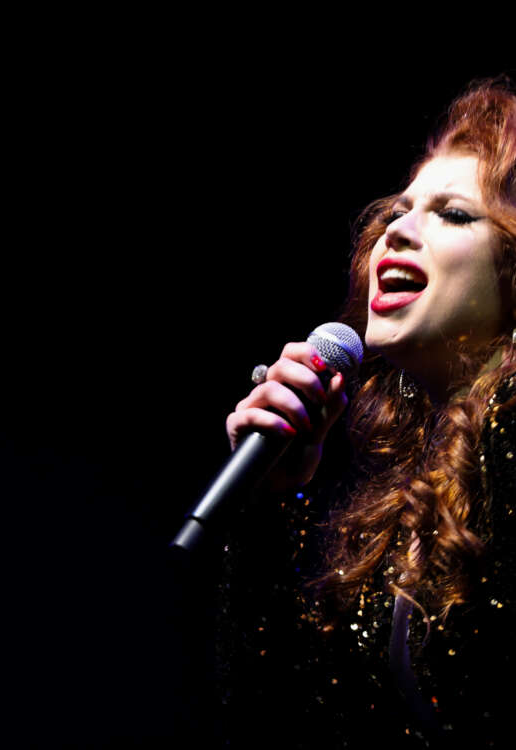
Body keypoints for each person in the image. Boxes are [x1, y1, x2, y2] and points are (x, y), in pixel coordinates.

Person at [217, 77, 516, 749]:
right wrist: (267, 504)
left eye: (454, 214)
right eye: (399, 210)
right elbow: (281, 722)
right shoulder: (414, 490)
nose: (396, 230)